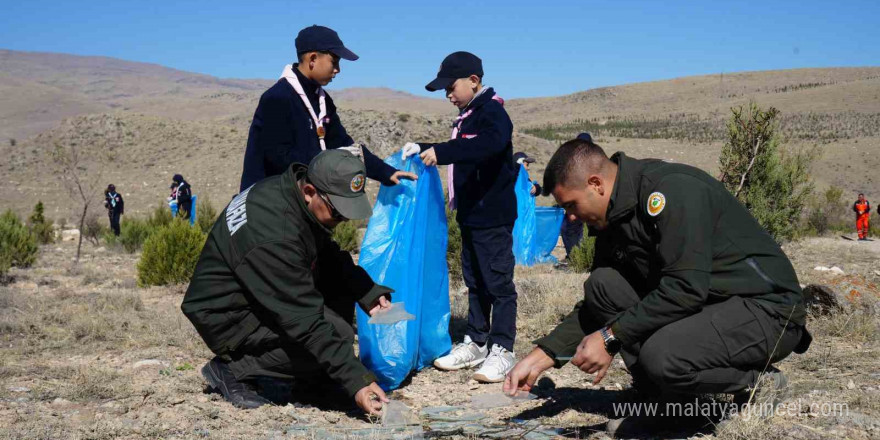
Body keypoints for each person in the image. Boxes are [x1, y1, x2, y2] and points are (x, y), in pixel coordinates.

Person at [504, 137, 811, 431]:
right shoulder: (613, 214)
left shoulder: (671, 191)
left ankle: (759, 381)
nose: (569, 218)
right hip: (712, 303)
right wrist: (543, 354)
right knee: (603, 285)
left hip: (767, 312)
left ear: (595, 184)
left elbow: (685, 288)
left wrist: (611, 338)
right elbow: (597, 307)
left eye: (570, 205)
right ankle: (669, 402)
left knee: (662, 357)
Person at [181, 150, 393, 414]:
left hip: (252, 292)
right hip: (226, 315)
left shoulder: (286, 193)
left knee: (338, 290)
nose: (344, 220)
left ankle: (315, 381)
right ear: (309, 191)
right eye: (338, 212)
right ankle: (233, 369)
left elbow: (324, 251)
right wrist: (358, 382)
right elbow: (306, 322)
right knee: (336, 332)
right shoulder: (275, 236)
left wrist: (366, 291)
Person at [402, 51, 518, 383]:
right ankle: (477, 342)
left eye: (451, 88)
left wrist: (443, 152)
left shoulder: (492, 113)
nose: (448, 95)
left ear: (473, 81)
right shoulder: (467, 115)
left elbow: (489, 146)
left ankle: (503, 349)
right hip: (471, 215)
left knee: (498, 283)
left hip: (492, 215)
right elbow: (461, 147)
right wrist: (424, 146)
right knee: (476, 282)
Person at [239, 25, 416, 192]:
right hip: (270, 203)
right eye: (334, 61)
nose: (338, 70)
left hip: (302, 202)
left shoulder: (323, 100)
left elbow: (344, 145)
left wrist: (386, 172)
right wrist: (330, 163)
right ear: (313, 59)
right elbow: (279, 157)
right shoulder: (278, 98)